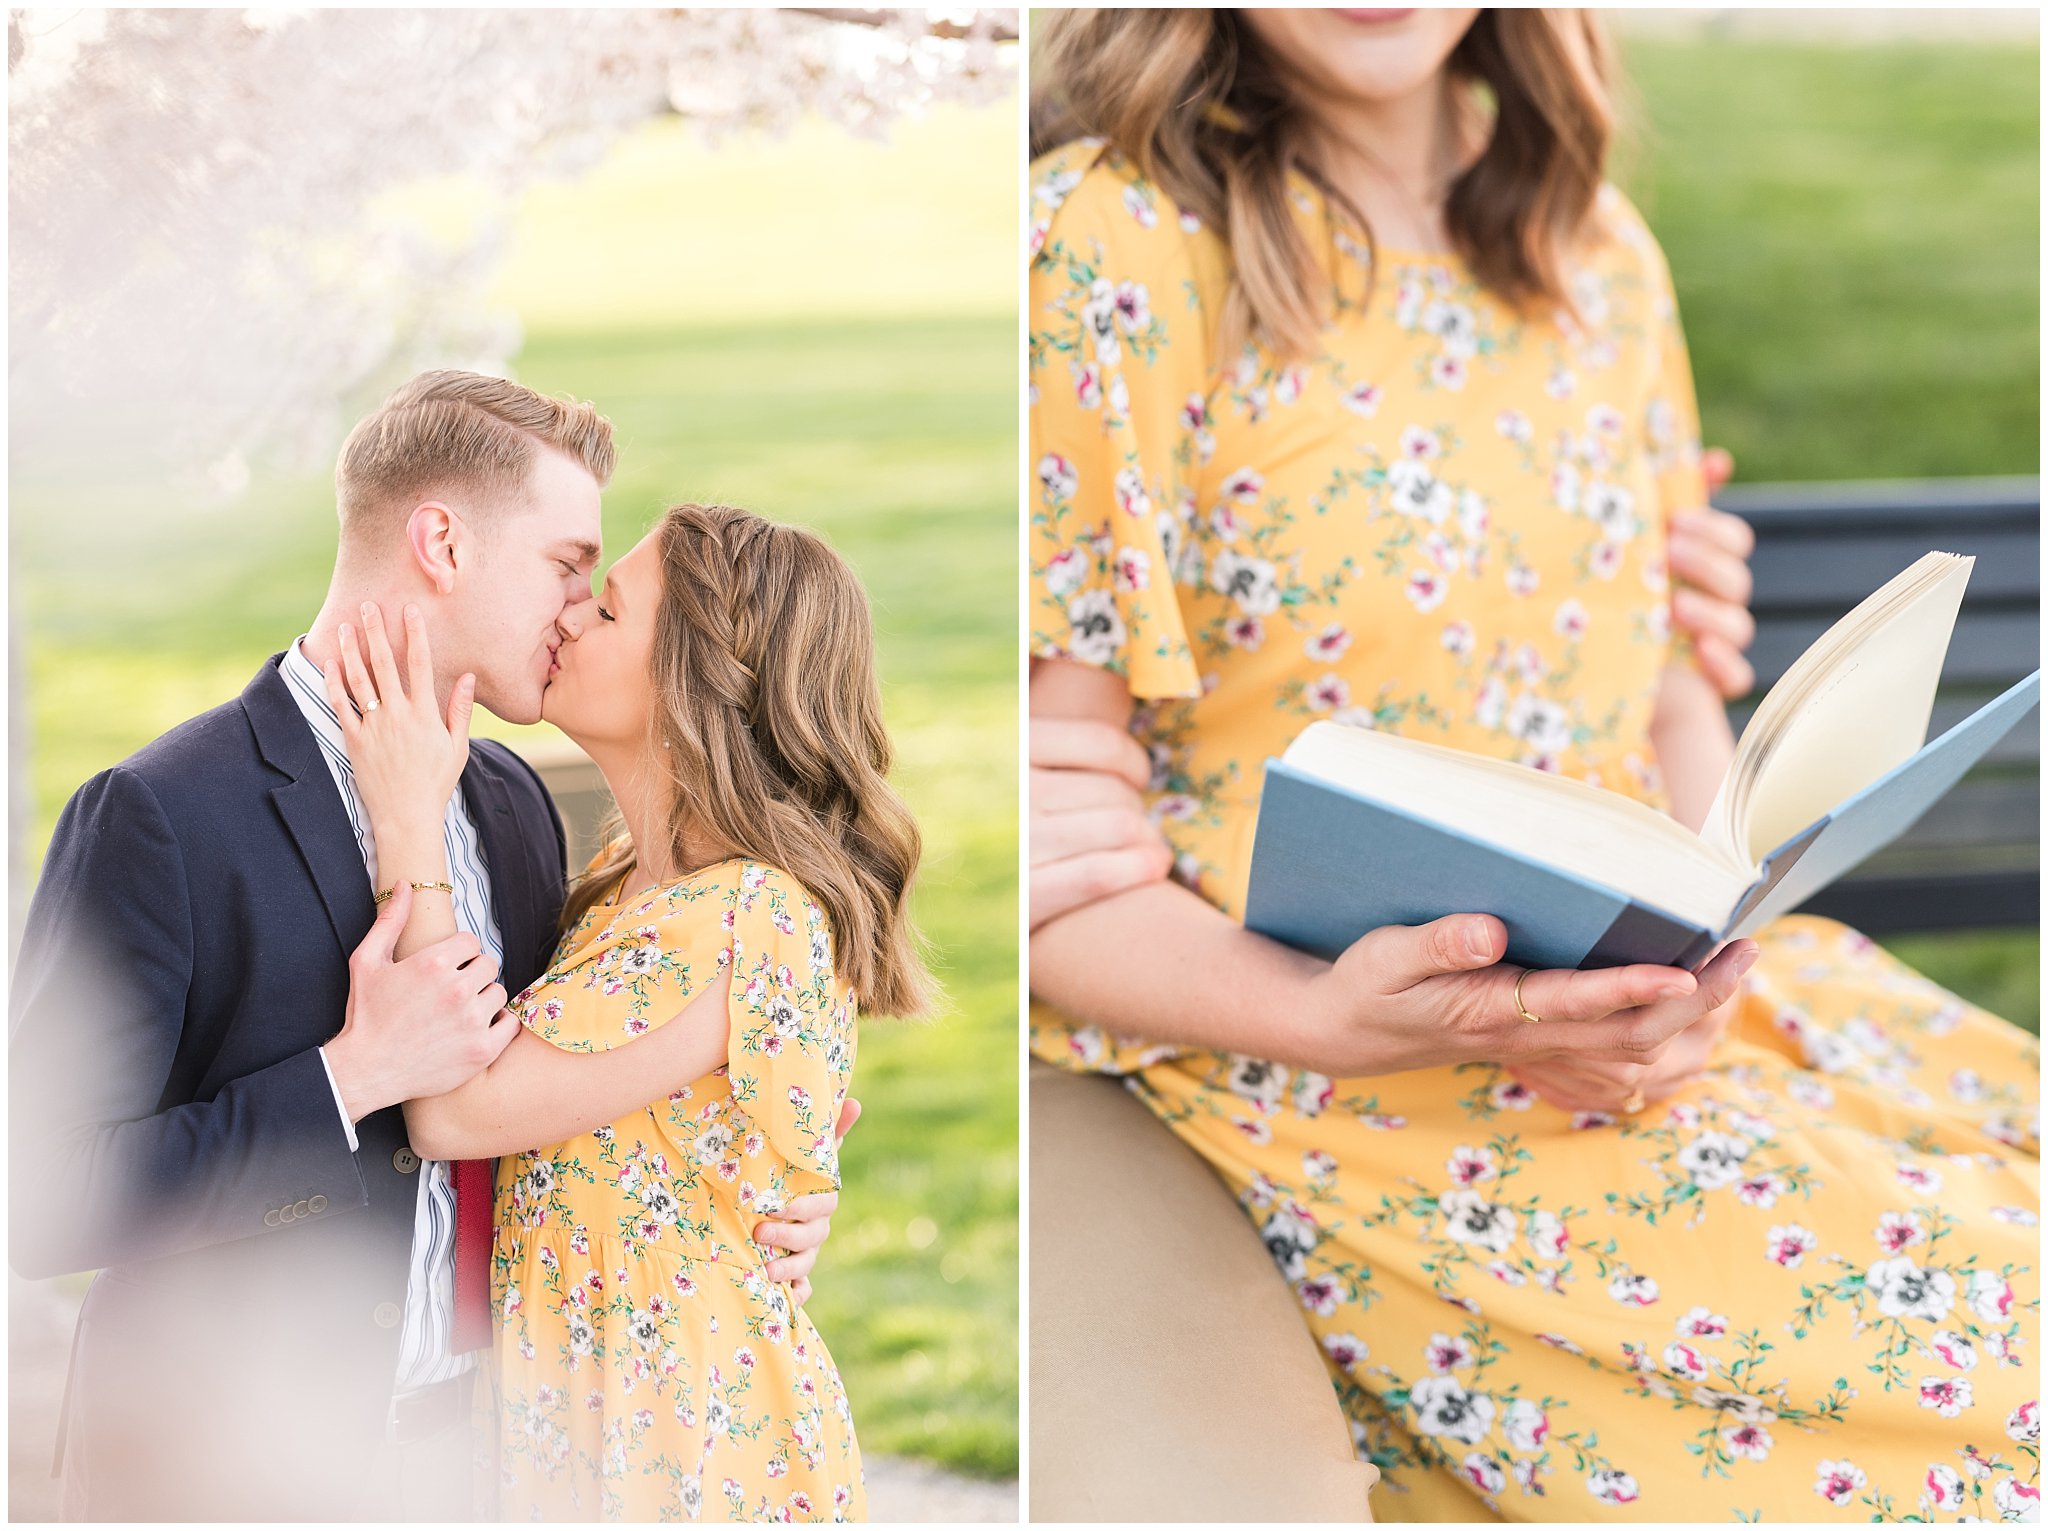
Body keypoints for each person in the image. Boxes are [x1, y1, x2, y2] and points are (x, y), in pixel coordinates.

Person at [1026, 9, 2039, 1522]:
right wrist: (1320, 1010)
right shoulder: (1113, 244)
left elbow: (1668, 692)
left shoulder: (1595, 251)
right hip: (1327, 1083)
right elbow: (1053, 821)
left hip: (1669, 1036)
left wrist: (1704, 960)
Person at [9, 373, 846, 1521]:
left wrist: (755, 1183)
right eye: (564, 566)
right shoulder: (163, 813)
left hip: (482, 1464)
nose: (573, 607)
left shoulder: (513, 808)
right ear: (442, 542)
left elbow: (569, 1089)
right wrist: (346, 1079)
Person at [328, 500, 933, 1521]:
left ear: (694, 680)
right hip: (587, 1411)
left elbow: (456, 1111)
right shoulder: (625, 888)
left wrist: (407, 822)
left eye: (605, 610)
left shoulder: (741, 913)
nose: (566, 615)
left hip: (674, 1437)